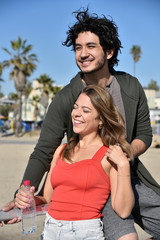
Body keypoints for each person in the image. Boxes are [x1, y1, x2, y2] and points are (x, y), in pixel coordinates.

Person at [1, 7, 160, 240]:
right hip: (86, 182)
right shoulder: (67, 97)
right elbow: (44, 150)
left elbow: (145, 134)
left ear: (109, 51)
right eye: (77, 47)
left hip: (127, 175)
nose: (82, 53)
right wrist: (23, 194)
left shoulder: (131, 86)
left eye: (90, 46)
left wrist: (124, 154)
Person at [15, 85, 136, 240]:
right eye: (75, 107)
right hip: (50, 231)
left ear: (101, 120)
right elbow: (47, 199)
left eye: (85, 110)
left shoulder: (109, 155)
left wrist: (124, 166)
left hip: (84, 233)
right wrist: (29, 200)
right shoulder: (61, 151)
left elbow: (123, 210)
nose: (76, 114)